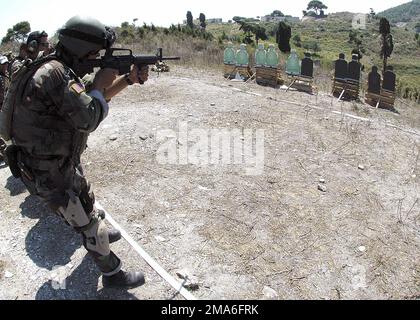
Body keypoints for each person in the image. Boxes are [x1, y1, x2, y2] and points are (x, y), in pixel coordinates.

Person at [5, 16, 149, 288]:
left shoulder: (54, 69)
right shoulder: (55, 76)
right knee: (85, 221)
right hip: (48, 170)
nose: (96, 57)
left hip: (55, 162)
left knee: (86, 197)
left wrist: (127, 80)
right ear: (80, 48)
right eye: (94, 53)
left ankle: (98, 232)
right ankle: (112, 274)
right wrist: (98, 83)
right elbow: (89, 116)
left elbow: (90, 102)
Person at [0, 55, 10, 162]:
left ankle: (5, 152)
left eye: (6, 63)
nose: (5, 65)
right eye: (2, 64)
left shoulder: (5, 76)